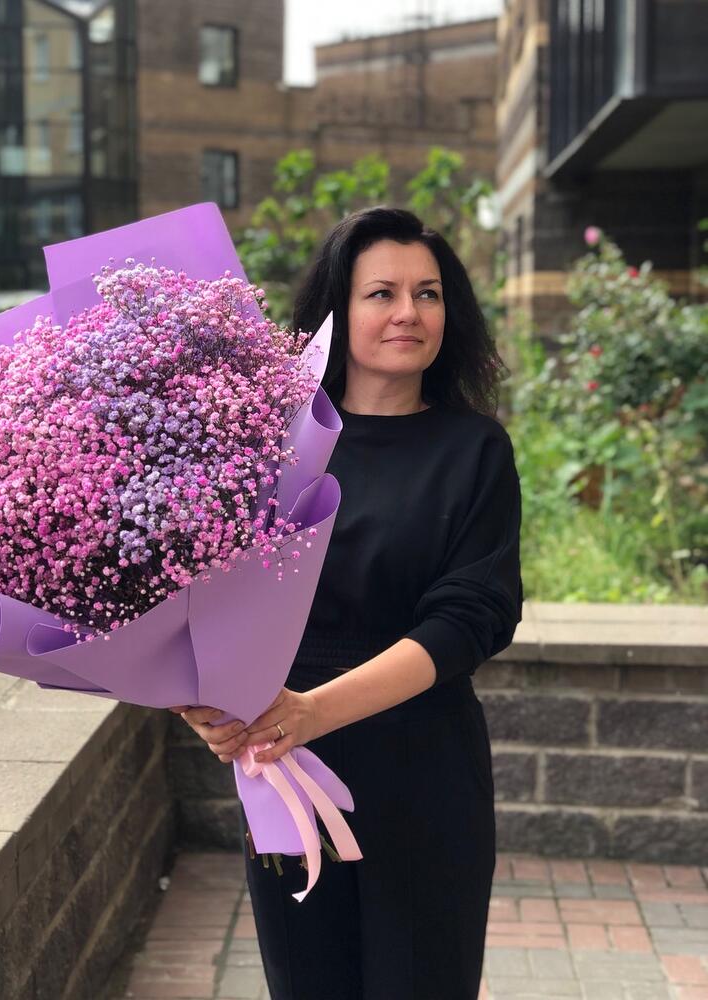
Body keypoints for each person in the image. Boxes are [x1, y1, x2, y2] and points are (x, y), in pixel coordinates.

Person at [171, 206, 523, 999]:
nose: (409, 313)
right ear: (338, 308)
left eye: (428, 294)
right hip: (286, 771)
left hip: (422, 771)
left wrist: (312, 711)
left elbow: (470, 617)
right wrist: (197, 704)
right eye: (382, 293)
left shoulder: (475, 450)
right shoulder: (266, 442)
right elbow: (192, 597)